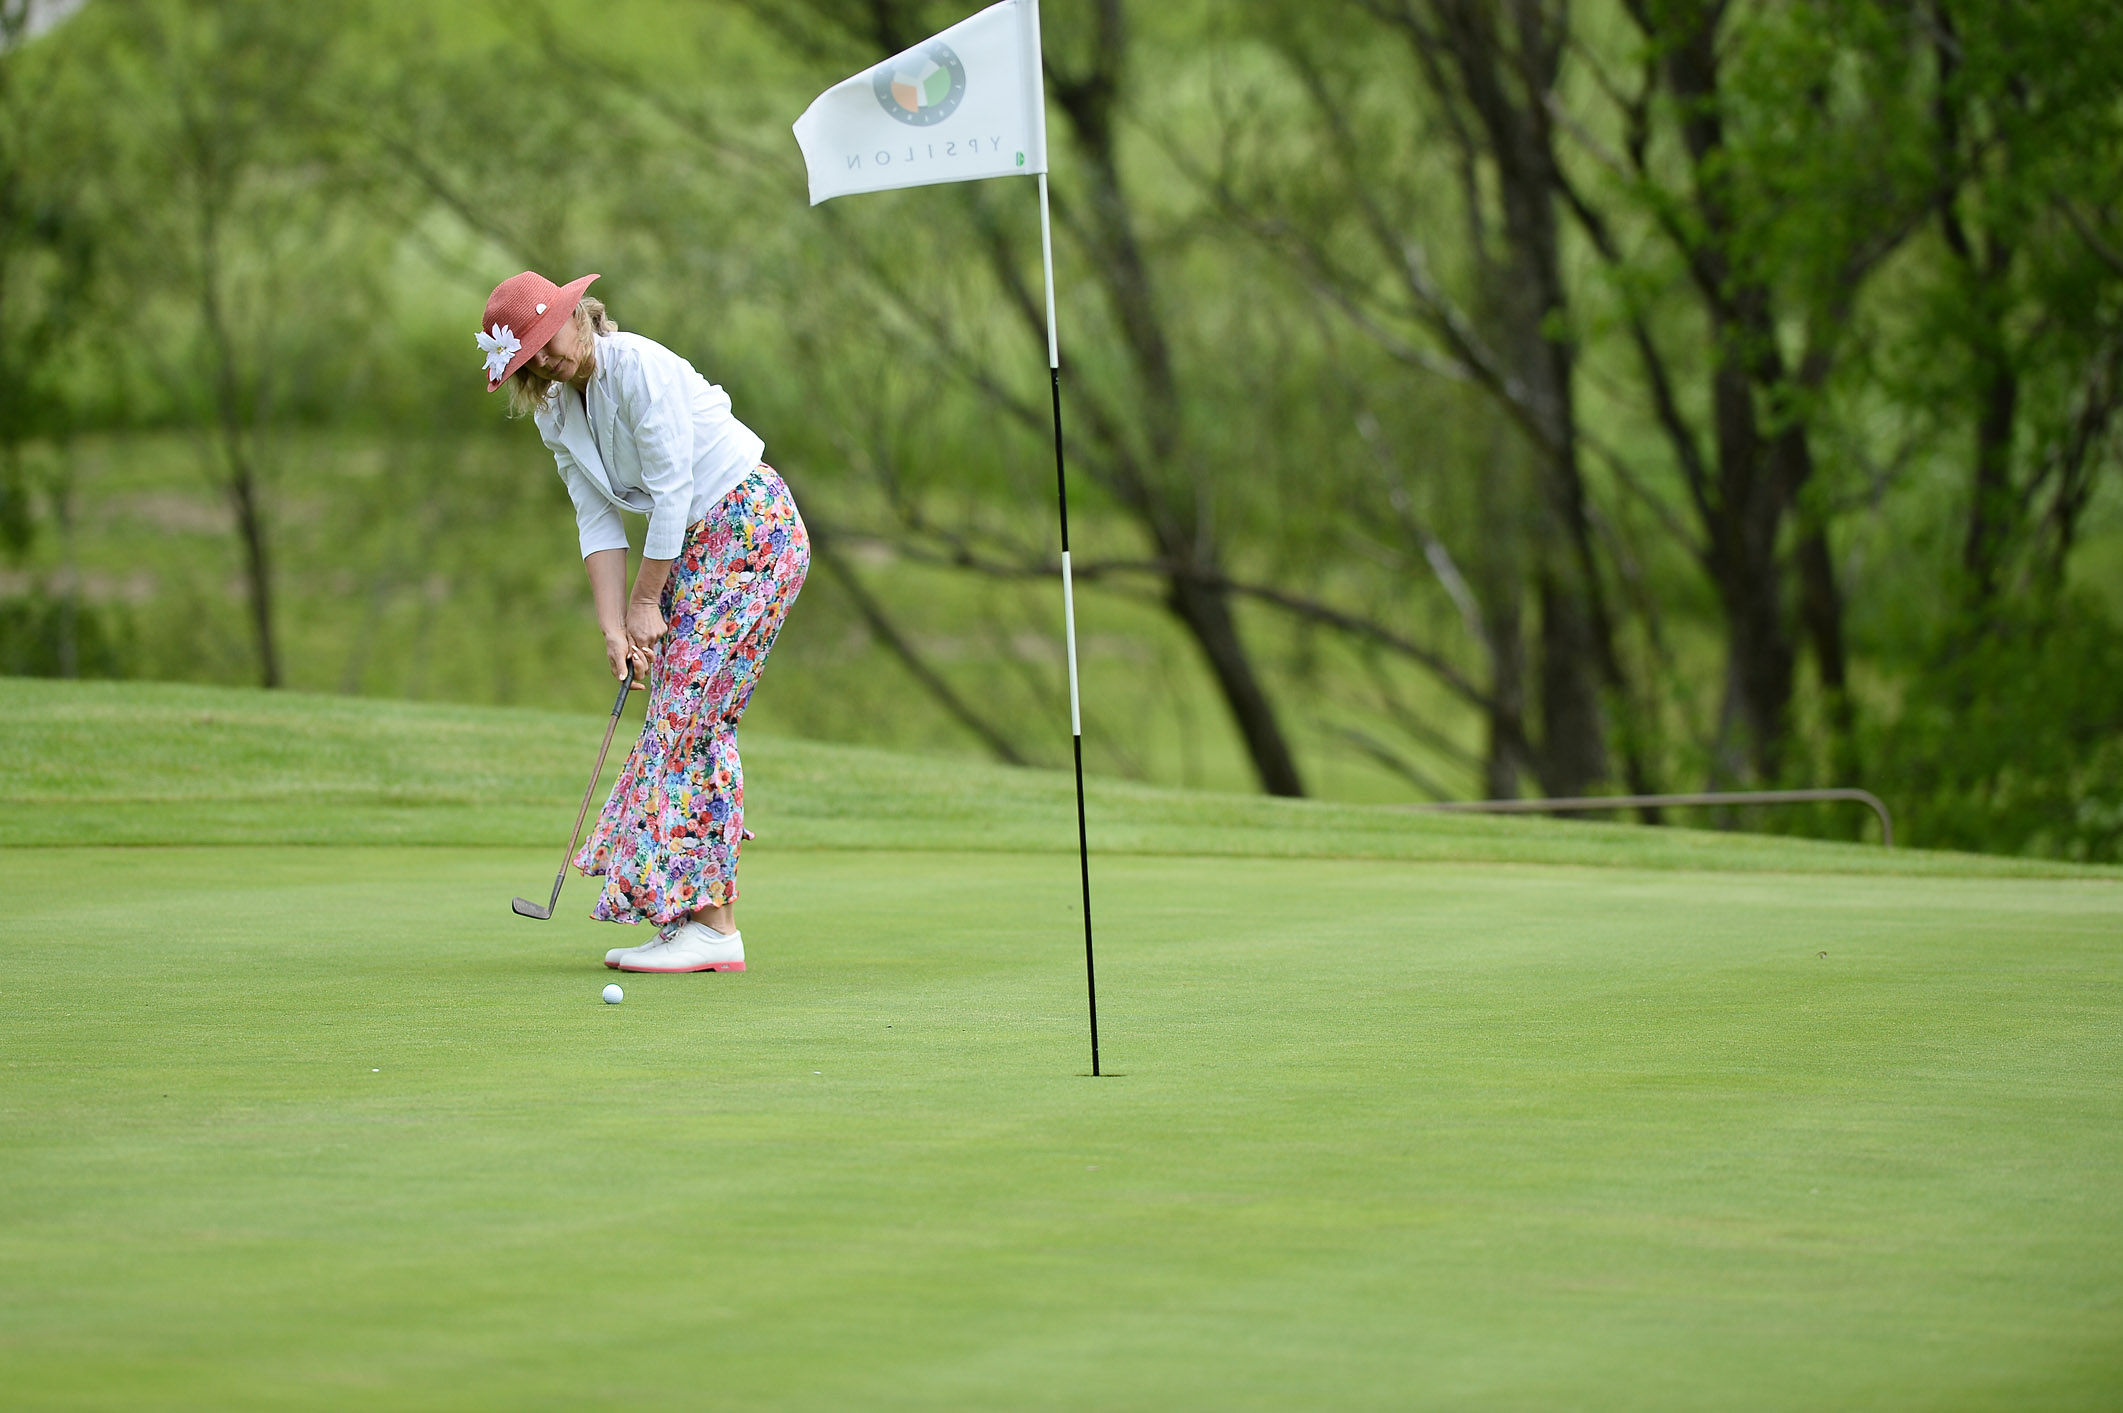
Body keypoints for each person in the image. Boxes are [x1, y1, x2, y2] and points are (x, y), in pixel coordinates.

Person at [478, 270, 809, 974]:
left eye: (548, 337)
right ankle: (692, 920)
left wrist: (644, 603)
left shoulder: (638, 367)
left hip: (752, 529)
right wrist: (613, 625)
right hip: (694, 545)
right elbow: (596, 518)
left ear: (578, 314)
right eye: (528, 355)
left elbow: (672, 489)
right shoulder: (556, 414)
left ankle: (713, 929)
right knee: (679, 716)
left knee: (689, 718)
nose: (546, 358)